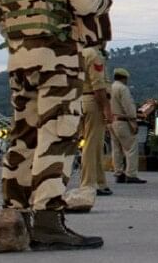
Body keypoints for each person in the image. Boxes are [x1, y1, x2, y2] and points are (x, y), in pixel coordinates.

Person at [0, 0, 111, 251]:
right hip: (57, 60)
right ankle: (48, 221)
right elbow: (85, 3)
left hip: (18, 60)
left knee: (23, 135)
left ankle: (15, 216)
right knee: (57, 134)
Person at [64, 43, 114, 213]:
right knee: (92, 145)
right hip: (93, 102)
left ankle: (100, 181)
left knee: (95, 144)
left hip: (79, 100)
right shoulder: (93, 55)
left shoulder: (77, 52)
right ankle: (89, 184)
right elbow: (98, 87)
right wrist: (107, 109)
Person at [110, 68, 146, 184]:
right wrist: (133, 121)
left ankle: (118, 173)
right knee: (131, 148)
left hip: (112, 121)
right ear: (124, 78)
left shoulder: (110, 87)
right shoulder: (123, 89)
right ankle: (131, 174)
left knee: (116, 149)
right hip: (123, 121)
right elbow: (128, 107)